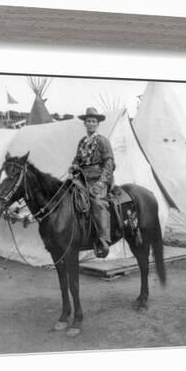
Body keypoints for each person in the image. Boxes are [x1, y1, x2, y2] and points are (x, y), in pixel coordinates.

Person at [69, 107, 115, 258]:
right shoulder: (82, 142)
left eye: (94, 121)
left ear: (97, 124)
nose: (91, 124)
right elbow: (77, 158)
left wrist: (101, 183)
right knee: (67, 194)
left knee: (97, 202)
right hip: (82, 177)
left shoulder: (102, 141)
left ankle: (103, 241)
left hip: (99, 177)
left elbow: (109, 163)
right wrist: (74, 164)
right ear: (85, 123)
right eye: (88, 121)